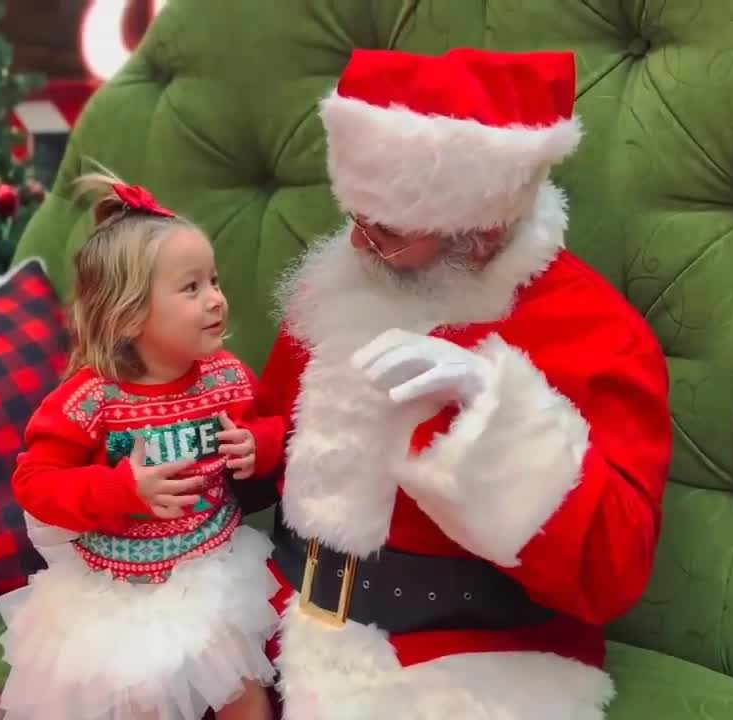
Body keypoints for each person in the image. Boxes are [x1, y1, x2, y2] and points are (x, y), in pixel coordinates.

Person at [257, 48, 674, 718]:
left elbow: (613, 570)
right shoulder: (338, 282)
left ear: (481, 228)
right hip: (278, 615)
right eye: (357, 219)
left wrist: (497, 422)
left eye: (388, 231)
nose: (361, 248)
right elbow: (270, 435)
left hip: (461, 656)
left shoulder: (597, 331)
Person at [0, 171, 285, 720]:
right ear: (130, 316)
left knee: (243, 694)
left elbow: (272, 425)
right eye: (191, 288)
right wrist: (121, 488)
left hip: (208, 570)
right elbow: (34, 483)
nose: (216, 299)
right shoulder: (90, 400)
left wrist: (257, 446)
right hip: (119, 590)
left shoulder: (226, 378)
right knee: (139, 699)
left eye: (214, 281)